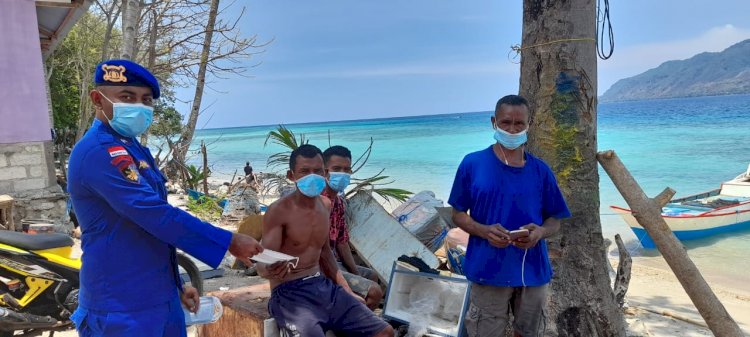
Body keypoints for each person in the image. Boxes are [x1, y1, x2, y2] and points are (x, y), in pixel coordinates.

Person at [67, 59, 263, 337]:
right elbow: (154, 214)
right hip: (121, 305)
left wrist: (176, 286)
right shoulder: (98, 152)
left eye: (145, 100)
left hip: (159, 297)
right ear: (98, 99)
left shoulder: (132, 148)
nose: (138, 106)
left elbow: (151, 231)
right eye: (126, 97)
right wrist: (229, 241)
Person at [448, 94, 571, 337]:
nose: (512, 129)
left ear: (529, 124)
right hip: (488, 269)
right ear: (494, 122)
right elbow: (458, 214)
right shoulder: (472, 164)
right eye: (506, 123)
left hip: (532, 272)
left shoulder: (541, 170)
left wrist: (540, 232)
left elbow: (555, 219)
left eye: (519, 124)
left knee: (527, 333)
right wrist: (484, 230)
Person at [257, 144, 394, 337]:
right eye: (304, 171)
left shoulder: (326, 205)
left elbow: (325, 251)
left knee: (385, 332)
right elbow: (262, 261)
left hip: (322, 285)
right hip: (289, 294)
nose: (312, 176)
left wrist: (345, 289)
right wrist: (269, 268)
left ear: (325, 173)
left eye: (318, 171)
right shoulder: (279, 211)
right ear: (291, 175)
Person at [322, 145, 384, 310]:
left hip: (334, 260)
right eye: (336, 169)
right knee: (374, 292)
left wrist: (355, 273)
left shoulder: (339, 203)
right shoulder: (318, 201)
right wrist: (348, 284)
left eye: (346, 170)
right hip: (319, 265)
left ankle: (357, 316)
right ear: (324, 171)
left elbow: (342, 242)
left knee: (372, 275)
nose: (342, 174)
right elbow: (322, 252)